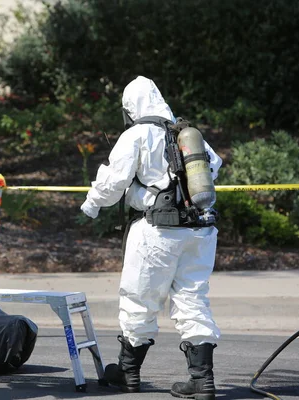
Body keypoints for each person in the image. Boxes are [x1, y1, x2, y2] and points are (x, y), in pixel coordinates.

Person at [80, 76, 223, 399]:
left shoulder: (137, 134)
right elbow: (214, 165)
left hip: (157, 232)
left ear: (130, 107)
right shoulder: (185, 133)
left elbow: (113, 182)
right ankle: (202, 380)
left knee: (139, 300)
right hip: (200, 230)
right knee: (193, 299)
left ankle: (127, 373)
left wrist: (90, 206)